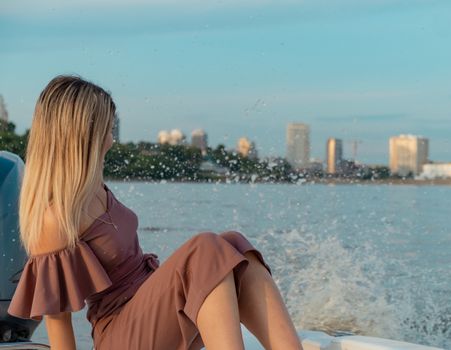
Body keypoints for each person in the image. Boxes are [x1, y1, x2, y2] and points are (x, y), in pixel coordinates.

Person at [7, 75, 302, 350]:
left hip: (147, 310)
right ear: (84, 133)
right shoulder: (53, 218)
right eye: (107, 127)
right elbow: (58, 322)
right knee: (207, 247)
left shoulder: (93, 185)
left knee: (233, 245)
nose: (113, 134)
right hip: (119, 335)